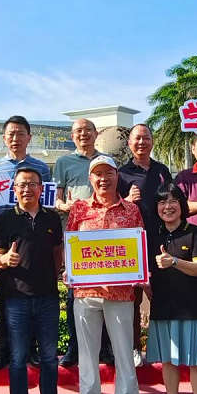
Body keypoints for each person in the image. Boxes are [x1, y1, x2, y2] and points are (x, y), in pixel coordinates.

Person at [66, 155, 147, 394]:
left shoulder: (131, 210)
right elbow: (71, 244)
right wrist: (69, 270)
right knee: (87, 355)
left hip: (121, 293)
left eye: (108, 173)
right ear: (90, 178)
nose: (103, 179)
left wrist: (140, 273)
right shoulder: (79, 209)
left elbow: (138, 246)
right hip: (85, 292)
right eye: (98, 174)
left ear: (117, 176)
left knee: (124, 352)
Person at [0, 167, 66, 394]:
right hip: (16, 298)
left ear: (41, 188)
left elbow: (58, 252)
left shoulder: (51, 217)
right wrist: (4, 259)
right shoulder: (5, 219)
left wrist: (55, 275)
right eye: (22, 185)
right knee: (18, 357)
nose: (27, 189)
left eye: (32, 184)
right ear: (14, 189)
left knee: (49, 356)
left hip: (47, 296)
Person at [0, 116, 51, 371]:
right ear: (4, 138)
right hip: (5, 232)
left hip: (34, 233)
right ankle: (3, 351)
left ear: (29, 137)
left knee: (33, 296)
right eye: (10, 134)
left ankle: (31, 350)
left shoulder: (41, 167)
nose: (15, 138)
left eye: (20, 133)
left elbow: (48, 202)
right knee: (5, 296)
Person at [145, 184, 197, 394]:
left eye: (173, 201)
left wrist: (173, 261)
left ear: (182, 205)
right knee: (169, 361)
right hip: (163, 306)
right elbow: (143, 269)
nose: (167, 207)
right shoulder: (151, 235)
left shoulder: (195, 233)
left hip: (192, 306)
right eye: (162, 202)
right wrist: (144, 283)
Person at [53, 118, 111, 368]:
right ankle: (74, 347)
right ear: (72, 136)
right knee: (74, 292)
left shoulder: (106, 160)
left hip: (104, 234)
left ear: (96, 134)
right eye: (78, 131)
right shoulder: (63, 162)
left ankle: (105, 348)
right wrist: (64, 205)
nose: (83, 134)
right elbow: (55, 199)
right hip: (76, 234)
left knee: (107, 290)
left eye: (88, 130)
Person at [118, 123, 173, 368]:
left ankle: (163, 346)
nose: (142, 142)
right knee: (133, 299)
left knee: (163, 294)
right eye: (137, 138)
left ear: (152, 141)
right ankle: (134, 348)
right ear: (129, 143)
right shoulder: (121, 173)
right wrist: (127, 200)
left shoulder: (162, 170)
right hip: (132, 243)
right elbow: (113, 207)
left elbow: (172, 200)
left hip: (161, 241)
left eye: (146, 138)